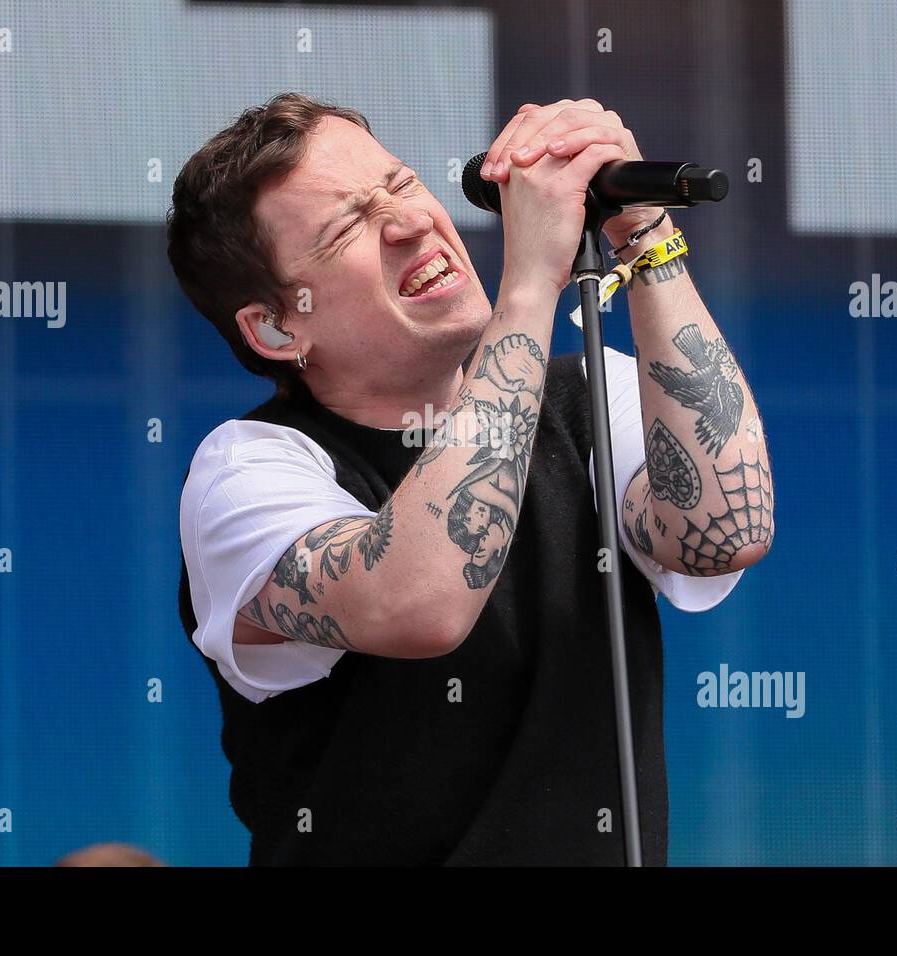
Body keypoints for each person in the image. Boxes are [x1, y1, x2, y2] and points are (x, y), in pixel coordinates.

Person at [168, 92, 774, 865]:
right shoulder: (249, 468)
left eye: (401, 182)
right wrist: (529, 287)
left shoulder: (589, 392)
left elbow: (726, 532)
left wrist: (643, 231)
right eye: (349, 224)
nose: (413, 221)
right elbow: (420, 601)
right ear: (279, 326)